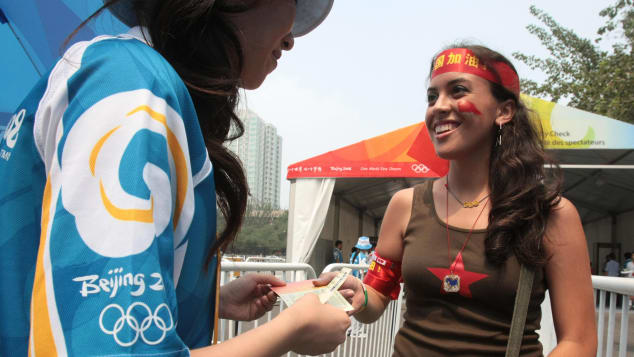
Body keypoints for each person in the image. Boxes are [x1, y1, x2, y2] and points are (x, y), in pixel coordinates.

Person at [0, 1, 353, 356]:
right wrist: (289, 331)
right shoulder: (130, 86)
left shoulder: (130, 78)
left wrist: (211, 299)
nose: (291, 39)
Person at [318, 44, 597, 356]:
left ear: (504, 111)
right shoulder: (405, 205)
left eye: (458, 91)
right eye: (432, 96)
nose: (438, 106)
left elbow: (579, 342)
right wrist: (358, 294)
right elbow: (377, 296)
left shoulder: (549, 214)